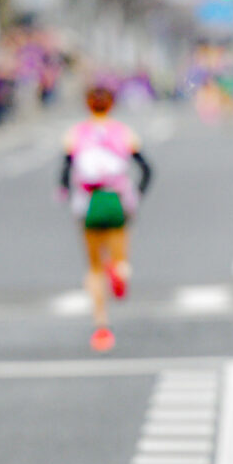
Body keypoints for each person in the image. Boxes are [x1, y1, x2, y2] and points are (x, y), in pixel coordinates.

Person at [59, 86, 153, 352]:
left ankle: (101, 325)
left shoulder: (75, 134)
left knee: (93, 267)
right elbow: (146, 168)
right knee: (120, 253)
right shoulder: (124, 133)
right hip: (118, 199)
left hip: (88, 202)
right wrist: (137, 194)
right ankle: (120, 270)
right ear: (111, 105)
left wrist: (68, 195)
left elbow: (65, 173)